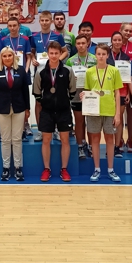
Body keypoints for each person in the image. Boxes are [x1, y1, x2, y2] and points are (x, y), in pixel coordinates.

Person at [33, 41, 76, 182]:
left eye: (56, 53)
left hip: (64, 111)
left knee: (65, 140)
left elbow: (72, 90)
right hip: (47, 111)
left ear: (60, 54)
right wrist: (46, 102)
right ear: (47, 54)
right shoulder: (40, 71)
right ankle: (47, 169)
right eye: (51, 53)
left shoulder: (68, 70)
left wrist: (64, 101)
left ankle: (64, 169)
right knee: (46, 140)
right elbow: (37, 92)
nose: (53, 56)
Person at [81, 43, 122, 182]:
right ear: (95, 55)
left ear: (108, 55)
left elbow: (117, 93)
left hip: (109, 110)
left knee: (110, 139)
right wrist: (83, 95)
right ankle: (97, 169)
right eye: (98, 54)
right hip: (94, 111)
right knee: (95, 139)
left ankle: (111, 169)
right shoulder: (89, 72)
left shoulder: (114, 71)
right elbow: (87, 91)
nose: (101, 56)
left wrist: (117, 114)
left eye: (103, 54)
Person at [0, 47, 30, 181]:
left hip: (19, 109)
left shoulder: (21, 70)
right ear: (1, 58)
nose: (7, 58)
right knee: (5, 140)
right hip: (2, 109)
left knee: (17, 139)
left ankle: (18, 167)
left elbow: (25, 91)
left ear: (14, 57)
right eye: (4, 56)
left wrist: (27, 109)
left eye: (9, 56)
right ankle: (6, 168)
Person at [31, 11, 67, 141]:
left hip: (55, 73)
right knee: (39, 102)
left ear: (51, 21)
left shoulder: (57, 36)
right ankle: (41, 130)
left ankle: (56, 129)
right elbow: (32, 52)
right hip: (40, 74)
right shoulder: (34, 36)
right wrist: (33, 59)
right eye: (42, 20)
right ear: (39, 21)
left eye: (47, 20)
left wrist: (56, 61)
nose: (45, 23)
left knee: (55, 101)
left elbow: (65, 52)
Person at [66, 34, 97, 158]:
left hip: (91, 95)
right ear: (75, 45)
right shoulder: (70, 60)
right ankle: (80, 146)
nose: (81, 45)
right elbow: (67, 79)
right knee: (79, 122)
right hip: (77, 95)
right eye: (78, 43)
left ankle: (91, 146)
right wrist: (71, 79)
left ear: (87, 44)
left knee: (91, 122)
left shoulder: (94, 59)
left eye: (83, 43)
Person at [108, 31, 130, 156]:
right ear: (111, 41)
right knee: (109, 119)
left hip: (121, 91)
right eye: (115, 40)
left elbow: (128, 78)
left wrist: (128, 93)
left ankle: (117, 146)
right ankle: (110, 146)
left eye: (119, 40)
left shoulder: (126, 57)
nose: (117, 42)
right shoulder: (106, 55)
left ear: (122, 42)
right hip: (108, 92)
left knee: (119, 119)